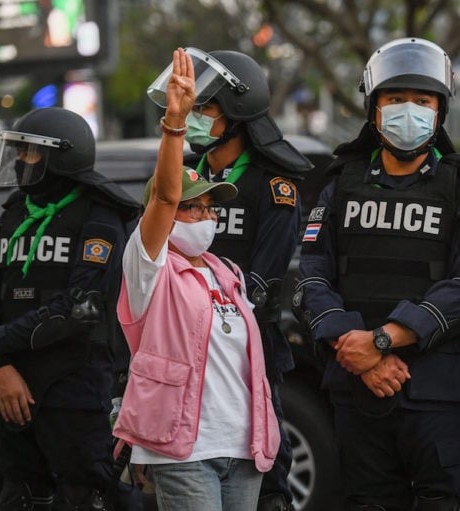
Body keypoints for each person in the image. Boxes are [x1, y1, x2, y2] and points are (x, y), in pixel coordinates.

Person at [295, 37, 460, 511]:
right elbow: (311, 279)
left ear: (440, 111)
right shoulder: (341, 184)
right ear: (374, 109)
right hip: (357, 394)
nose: (410, 110)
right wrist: (354, 346)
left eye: (422, 101)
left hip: (436, 400)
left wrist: (381, 340)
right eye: (395, 99)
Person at [111, 48, 280, 511]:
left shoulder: (229, 274)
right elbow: (164, 197)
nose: (203, 216)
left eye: (209, 207)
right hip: (183, 449)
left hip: (244, 448)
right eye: (191, 207)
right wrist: (175, 123)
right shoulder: (151, 266)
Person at [0, 106, 141, 510]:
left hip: (75, 390)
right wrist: (1, 367)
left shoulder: (100, 217)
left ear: (60, 157)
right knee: (22, 495)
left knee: (87, 496)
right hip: (12, 391)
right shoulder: (12, 216)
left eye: (29, 153)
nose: (21, 162)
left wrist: (2, 343)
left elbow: (82, 309)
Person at [173, 47, 312, 511]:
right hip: (183, 353)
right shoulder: (188, 179)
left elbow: (264, 281)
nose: (193, 117)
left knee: (264, 480)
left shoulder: (274, 186)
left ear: (235, 111)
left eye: (203, 107)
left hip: (245, 351)